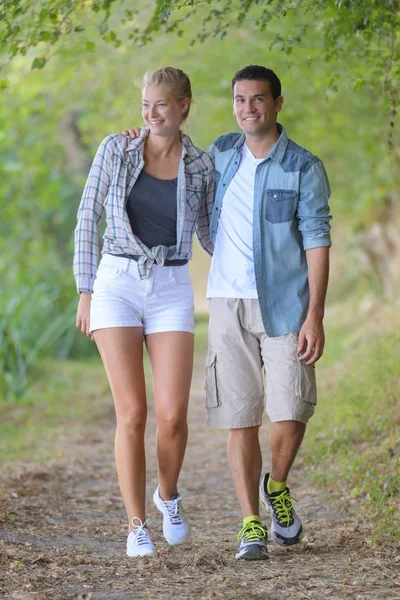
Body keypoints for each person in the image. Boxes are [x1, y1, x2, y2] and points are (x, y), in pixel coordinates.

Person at [124, 64, 332, 561]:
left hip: (286, 304)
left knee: (292, 410)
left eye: (258, 99)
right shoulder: (217, 155)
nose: (248, 109)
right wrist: (142, 132)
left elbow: (318, 240)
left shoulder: (303, 166)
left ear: (277, 103)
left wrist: (315, 315)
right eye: (240, 100)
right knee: (241, 417)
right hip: (226, 303)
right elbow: (167, 140)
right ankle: (251, 526)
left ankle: (276, 484)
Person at [73, 67, 214, 558]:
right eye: (146, 105)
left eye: (162, 105)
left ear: (184, 107)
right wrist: (85, 289)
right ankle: (136, 525)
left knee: (174, 415)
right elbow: (87, 217)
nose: (152, 114)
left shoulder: (200, 165)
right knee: (132, 412)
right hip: (115, 283)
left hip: (172, 284)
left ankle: (167, 496)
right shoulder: (117, 149)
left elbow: (210, 235)